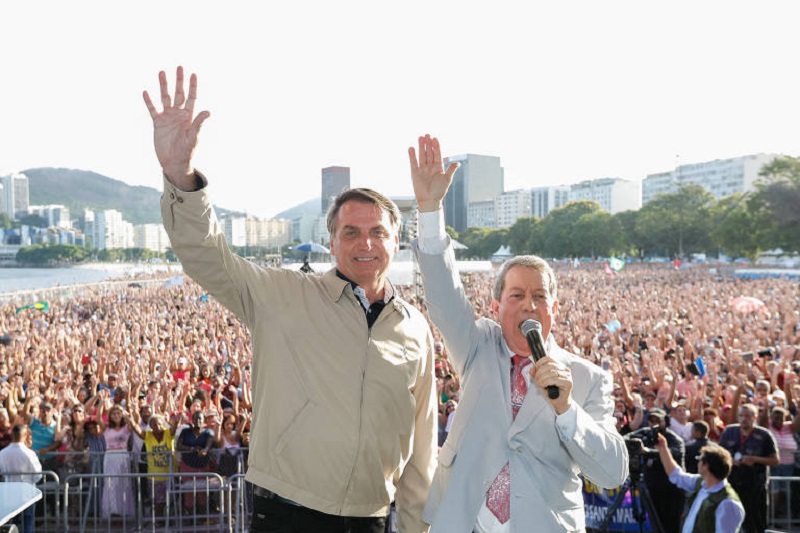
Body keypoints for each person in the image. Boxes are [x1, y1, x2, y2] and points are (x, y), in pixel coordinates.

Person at [143, 67, 437, 532]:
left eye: (377, 232)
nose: (365, 243)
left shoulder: (415, 328)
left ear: (395, 241)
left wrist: (417, 526)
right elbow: (206, 257)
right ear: (332, 242)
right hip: (286, 510)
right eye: (351, 232)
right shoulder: (283, 294)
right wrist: (180, 175)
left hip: (371, 516)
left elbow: (421, 445)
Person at [408, 134, 628, 531]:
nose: (529, 305)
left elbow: (613, 472)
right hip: (464, 523)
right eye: (517, 295)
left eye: (540, 297)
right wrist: (430, 210)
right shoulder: (477, 345)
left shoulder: (589, 379)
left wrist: (566, 409)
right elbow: (443, 295)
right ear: (496, 307)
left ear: (554, 309)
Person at [654, 434, 744, 532]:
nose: (697, 463)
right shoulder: (701, 483)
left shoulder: (728, 504)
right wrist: (663, 448)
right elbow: (677, 475)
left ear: (706, 466)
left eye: (699, 459)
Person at [718, 403, 780, 533]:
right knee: (728, 523)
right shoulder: (729, 431)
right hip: (732, 485)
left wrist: (755, 459)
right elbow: (719, 454)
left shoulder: (764, 435)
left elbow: (775, 460)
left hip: (755, 486)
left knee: (755, 524)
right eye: (741, 416)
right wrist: (730, 460)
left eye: (747, 416)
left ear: (755, 417)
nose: (744, 419)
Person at [627, 407, 686, 532]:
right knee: (655, 523)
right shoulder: (645, 433)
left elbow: (674, 453)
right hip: (652, 487)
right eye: (651, 420)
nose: (654, 424)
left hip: (671, 490)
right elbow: (626, 438)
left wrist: (647, 451)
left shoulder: (674, 439)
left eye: (658, 420)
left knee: (670, 526)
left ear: (666, 422)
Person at [0, 424, 43, 533]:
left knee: (9, 525)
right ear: (25, 435)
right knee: (27, 523)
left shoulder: (3, 453)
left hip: (9, 493)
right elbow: (38, 474)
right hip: (26, 494)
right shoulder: (29, 453)